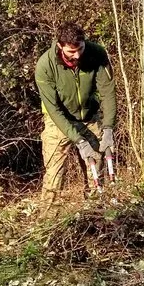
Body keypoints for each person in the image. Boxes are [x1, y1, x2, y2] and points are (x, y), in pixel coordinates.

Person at [34, 22, 117, 213]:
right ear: (60, 46)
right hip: (58, 120)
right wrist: (79, 140)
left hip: (89, 116)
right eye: (72, 51)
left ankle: (98, 217)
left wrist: (108, 128)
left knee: (97, 169)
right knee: (54, 175)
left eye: (80, 48)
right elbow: (53, 109)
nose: (77, 55)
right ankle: (47, 224)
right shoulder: (45, 65)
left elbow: (108, 91)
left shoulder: (96, 53)